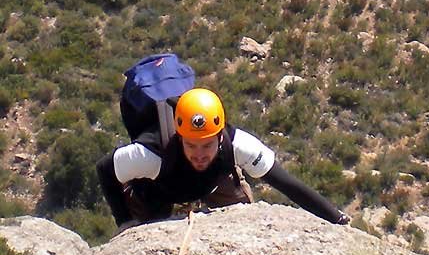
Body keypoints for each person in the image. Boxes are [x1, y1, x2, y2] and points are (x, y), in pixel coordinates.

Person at [97, 87, 350, 230]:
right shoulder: (151, 155)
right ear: (179, 138)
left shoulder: (237, 144)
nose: (199, 154)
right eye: (191, 145)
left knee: (239, 212)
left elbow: (285, 183)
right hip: (158, 189)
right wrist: (125, 222)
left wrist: (336, 218)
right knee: (149, 227)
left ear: (220, 137)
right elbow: (105, 170)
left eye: (207, 145)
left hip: (214, 182)